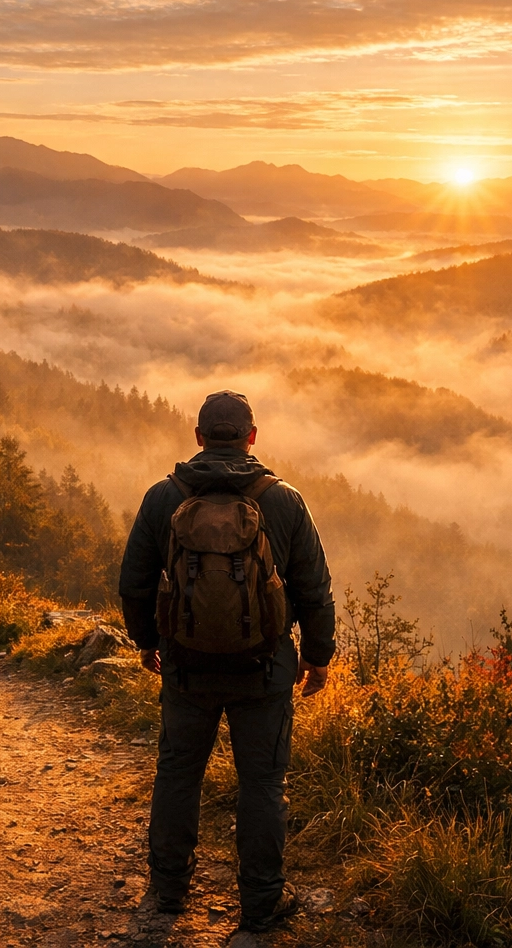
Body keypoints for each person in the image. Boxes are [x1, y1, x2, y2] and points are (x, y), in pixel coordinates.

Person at [119, 390, 335, 934]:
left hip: (186, 666)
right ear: (252, 437)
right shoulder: (283, 501)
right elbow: (314, 588)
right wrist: (318, 656)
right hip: (263, 671)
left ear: (197, 438)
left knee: (178, 773)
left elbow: (135, 581)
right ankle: (260, 907)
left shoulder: (163, 498)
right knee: (261, 784)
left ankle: (168, 892)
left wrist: (147, 641)